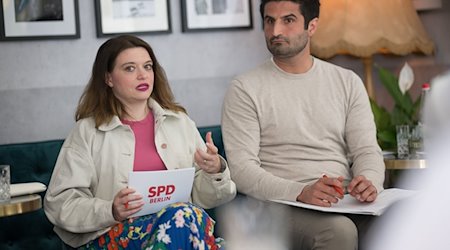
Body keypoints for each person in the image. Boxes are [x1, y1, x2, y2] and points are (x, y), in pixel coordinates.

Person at [44, 35, 236, 249]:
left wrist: (215, 170)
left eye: (147, 66)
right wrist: (111, 210)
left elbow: (206, 198)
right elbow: (60, 204)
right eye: (129, 68)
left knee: (185, 217)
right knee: (186, 217)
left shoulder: (179, 122)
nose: (143, 75)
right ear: (108, 78)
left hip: (179, 228)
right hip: (111, 236)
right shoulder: (87, 131)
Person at [221, 0, 384, 249]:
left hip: (342, 199)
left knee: (407, 219)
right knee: (338, 231)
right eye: (269, 21)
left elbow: (366, 150)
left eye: (288, 20)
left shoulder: (347, 82)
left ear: (312, 26)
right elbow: (242, 170)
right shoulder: (245, 88)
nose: (276, 31)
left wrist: (368, 180)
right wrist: (300, 191)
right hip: (281, 204)